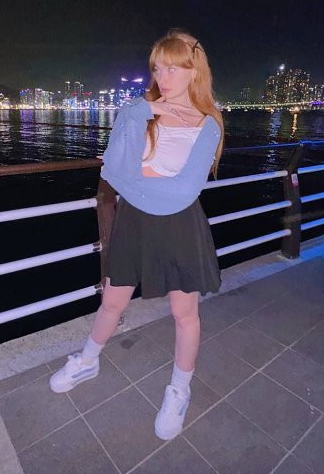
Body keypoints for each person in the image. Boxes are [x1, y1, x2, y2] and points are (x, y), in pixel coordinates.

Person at [49, 29, 224, 441]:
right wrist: (139, 129)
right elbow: (111, 168)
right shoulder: (138, 110)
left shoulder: (208, 125)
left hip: (180, 222)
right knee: (113, 299)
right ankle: (88, 360)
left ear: (194, 70)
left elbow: (184, 191)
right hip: (134, 220)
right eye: (157, 68)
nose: (163, 77)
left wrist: (134, 178)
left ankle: (179, 388)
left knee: (184, 312)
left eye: (173, 68)